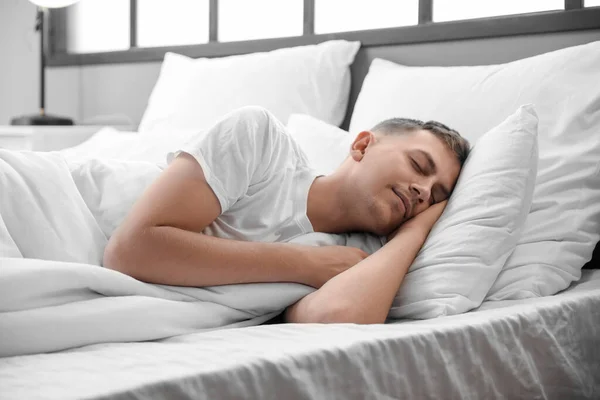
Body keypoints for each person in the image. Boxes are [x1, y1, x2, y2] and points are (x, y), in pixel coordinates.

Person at [103, 106, 470, 324]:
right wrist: (304, 264)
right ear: (361, 145)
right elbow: (130, 249)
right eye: (419, 165)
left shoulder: (362, 258)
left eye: (435, 197)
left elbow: (336, 318)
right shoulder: (261, 142)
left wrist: (415, 231)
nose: (424, 191)